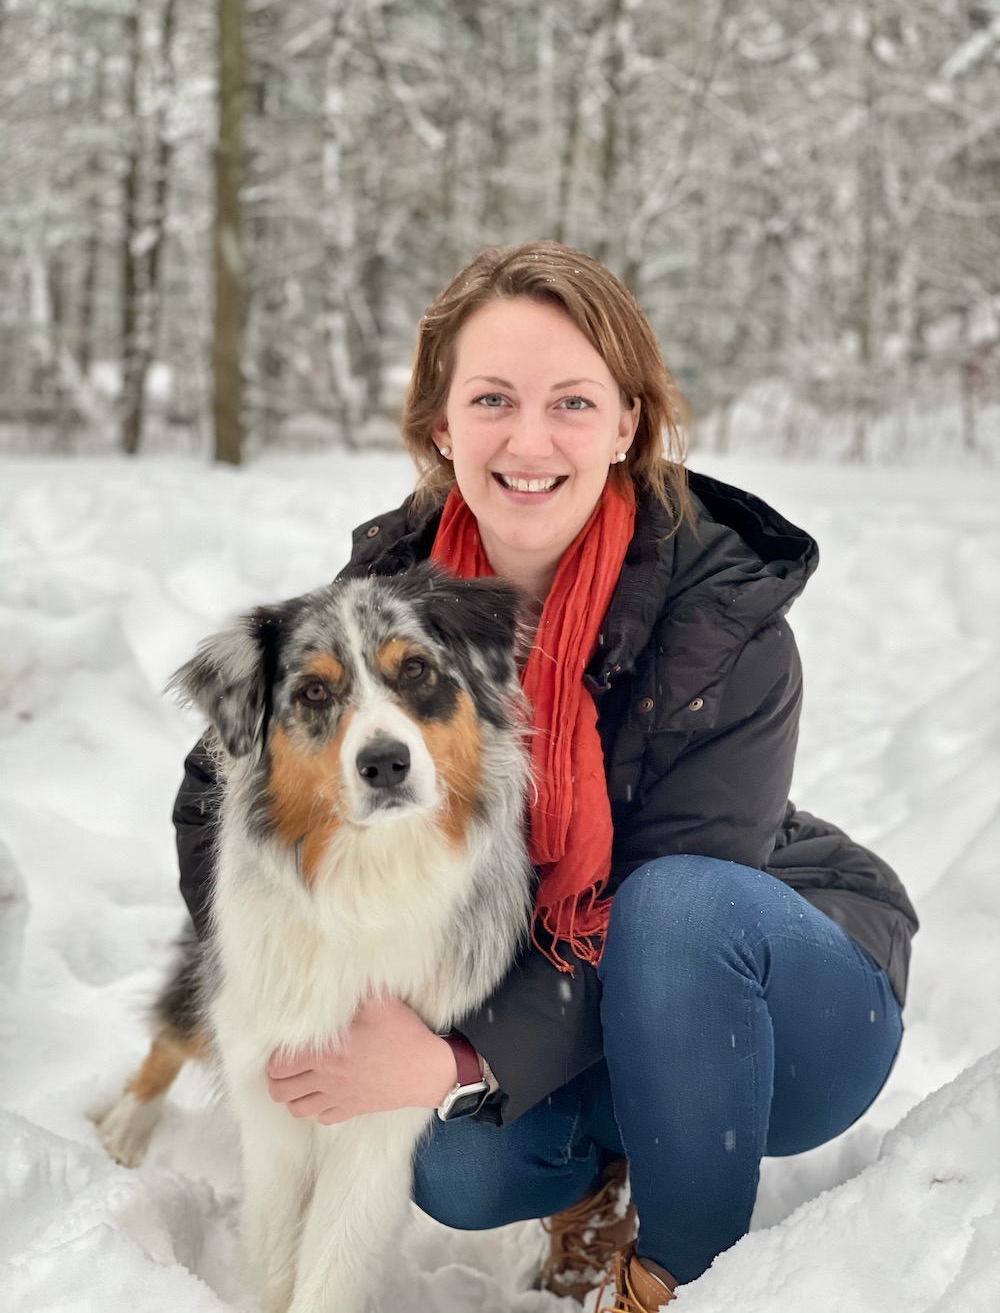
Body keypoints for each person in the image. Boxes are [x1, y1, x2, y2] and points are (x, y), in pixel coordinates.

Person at [174, 241, 917, 1310]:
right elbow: (224, 791)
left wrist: (452, 1060)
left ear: (627, 423)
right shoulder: (384, 603)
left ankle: (676, 1273)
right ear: (441, 425)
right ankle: (608, 1172)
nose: (530, 439)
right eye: (492, 398)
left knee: (670, 909)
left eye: (573, 401)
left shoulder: (722, 622)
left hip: (779, 998)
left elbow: (683, 904)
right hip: (580, 1010)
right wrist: (279, 955)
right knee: (458, 1169)